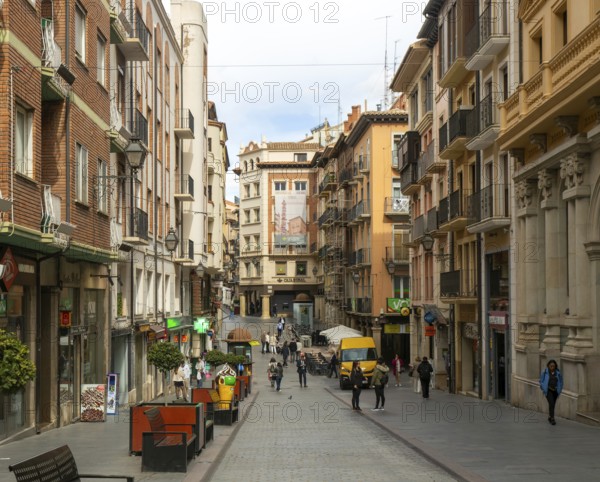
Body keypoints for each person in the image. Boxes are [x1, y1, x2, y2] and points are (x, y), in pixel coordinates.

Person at [539, 359, 563, 425]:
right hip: (548, 390)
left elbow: (561, 381)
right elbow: (541, 381)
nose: (552, 367)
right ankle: (552, 419)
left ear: (555, 366)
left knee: (552, 404)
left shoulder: (558, 373)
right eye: (551, 366)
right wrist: (543, 388)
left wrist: (560, 389)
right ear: (548, 366)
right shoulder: (545, 372)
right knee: (551, 403)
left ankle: (550, 416)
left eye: (553, 366)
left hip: (555, 391)